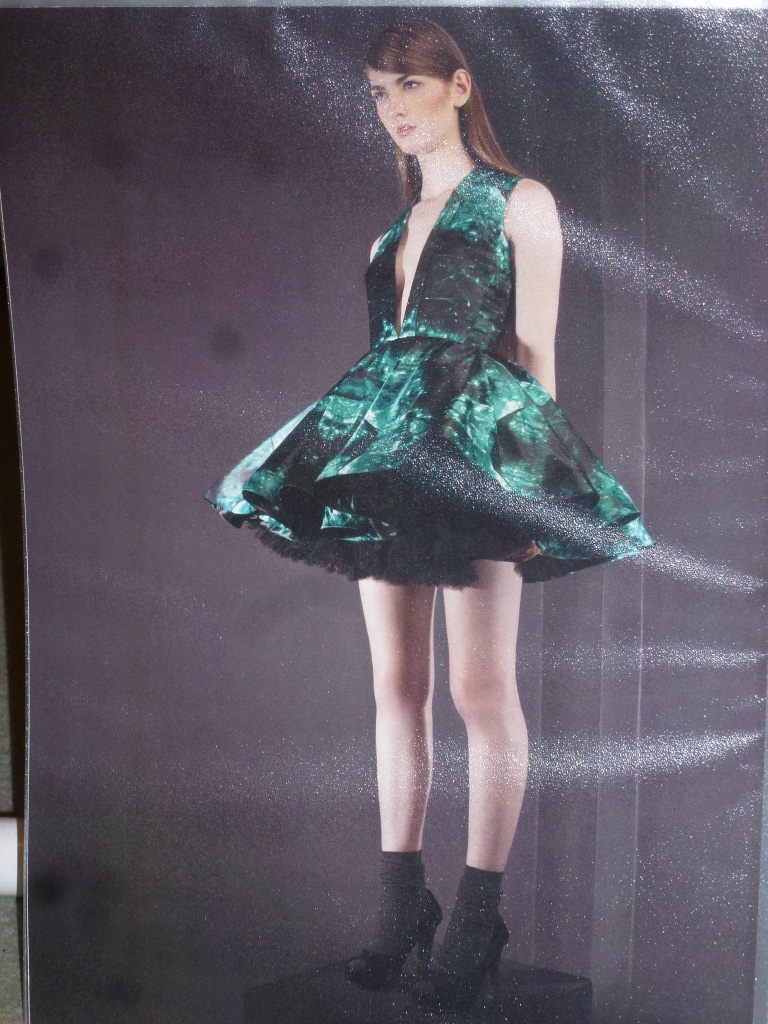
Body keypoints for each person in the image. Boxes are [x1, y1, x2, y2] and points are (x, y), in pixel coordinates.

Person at [204, 18, 654, 1014]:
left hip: (478, 459)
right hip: (384, 457)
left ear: (458, 86)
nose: (392, 108)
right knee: (395, 687)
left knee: (478, 689)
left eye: (408, 85)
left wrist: (533, 486)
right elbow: (390, 359)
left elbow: (534, 354)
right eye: (378, 92)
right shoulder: (390, 231)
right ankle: (401, 906)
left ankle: (478, 916)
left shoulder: (520, 202)